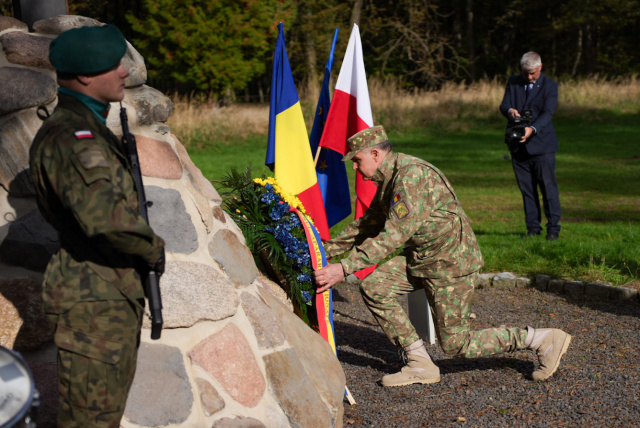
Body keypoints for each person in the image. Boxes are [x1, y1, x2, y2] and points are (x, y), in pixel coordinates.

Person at [314, 125, 571, 387]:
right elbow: (369, 224)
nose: (354, 168)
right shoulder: (390, 179)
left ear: (376, 155)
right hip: (422, 257)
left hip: (450, 262)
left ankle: (540, 339)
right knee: (375, 286)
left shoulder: (411, 177)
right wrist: (322, 250)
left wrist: (343, 268)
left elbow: (393, 236)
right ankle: (419, 363)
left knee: (457, 344)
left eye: (357, 160)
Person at [29, 25, 165, 427]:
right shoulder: (74, 137)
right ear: (86, 77)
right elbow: (107, 220)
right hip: (93, 305)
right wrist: (153, 247)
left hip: (105, 297)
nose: (124, 72)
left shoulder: (88, 128)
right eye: (113, 65)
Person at [500, 51, 562, 241]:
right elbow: (504, 105)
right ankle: (533, 229)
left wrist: (531, 129)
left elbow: (548, 113)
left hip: (542, 146)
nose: (529, 76)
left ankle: (553, 229)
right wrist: (511, 111)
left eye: (532, 73)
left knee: (548, 189)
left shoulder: (550, 86)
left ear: (540, 67)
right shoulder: (513, 82)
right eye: (526, 72)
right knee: (527, 190)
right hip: (518, 146)